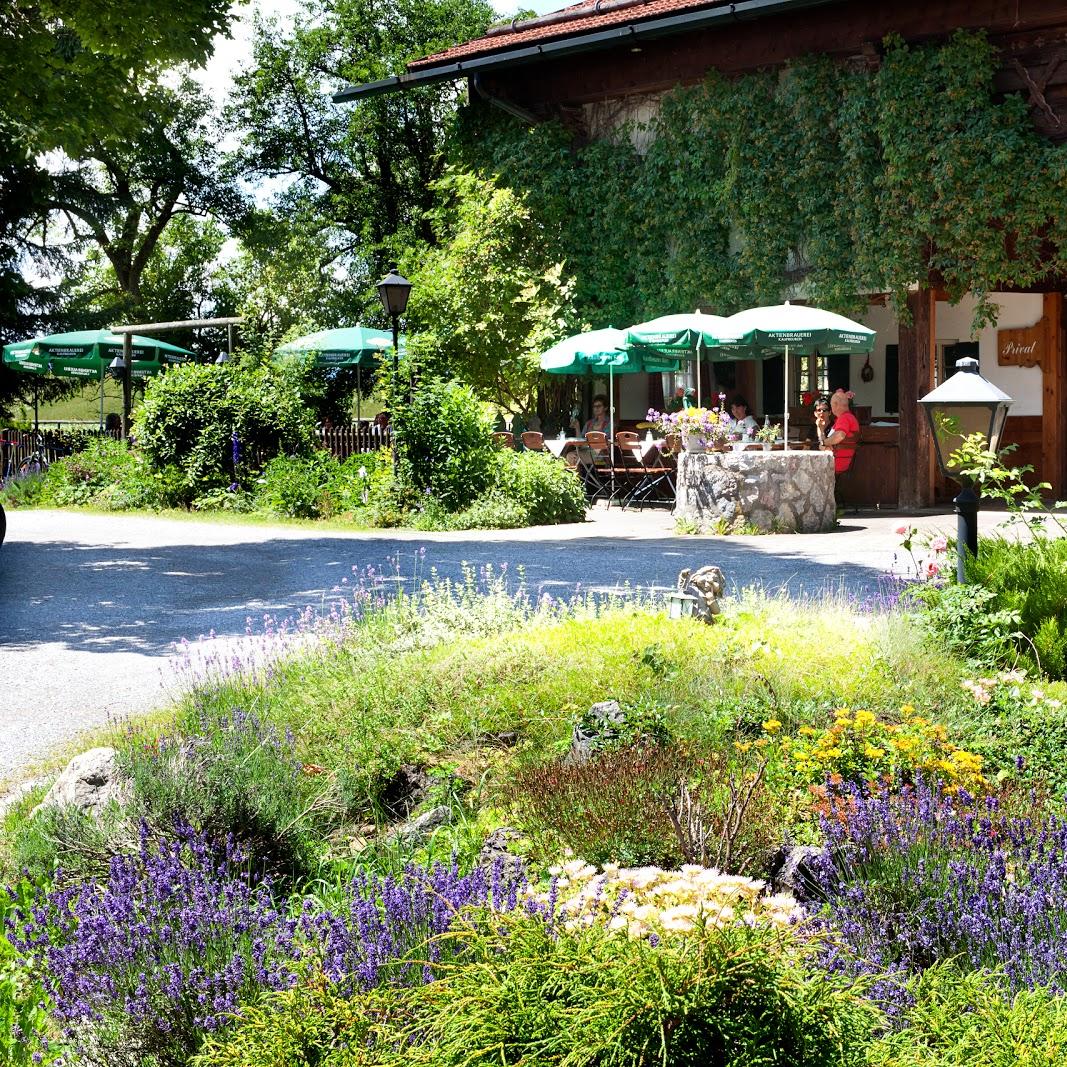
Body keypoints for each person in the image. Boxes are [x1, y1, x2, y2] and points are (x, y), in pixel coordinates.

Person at [822, 389, 860, 473]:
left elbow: (840, 435)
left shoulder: (844, 418)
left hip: (834, 463)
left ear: (835, 405)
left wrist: (824, 443)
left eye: (831, 405)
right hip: (839, 462)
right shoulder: (849, 417)